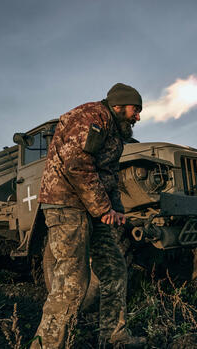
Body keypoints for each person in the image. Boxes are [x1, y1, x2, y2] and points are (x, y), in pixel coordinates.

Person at [32, 83, 145, 348]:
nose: (138, 116)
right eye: (135, 109)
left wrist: (116, 211)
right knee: (72, 281)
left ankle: (113, 337)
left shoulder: (115, 131)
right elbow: (77, 165)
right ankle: (45, 345)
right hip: (67, 205)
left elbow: (109, 176)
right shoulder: (92, 118)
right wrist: (104, 209)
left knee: (115, 269)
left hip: (92, 210)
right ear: (118, 105)